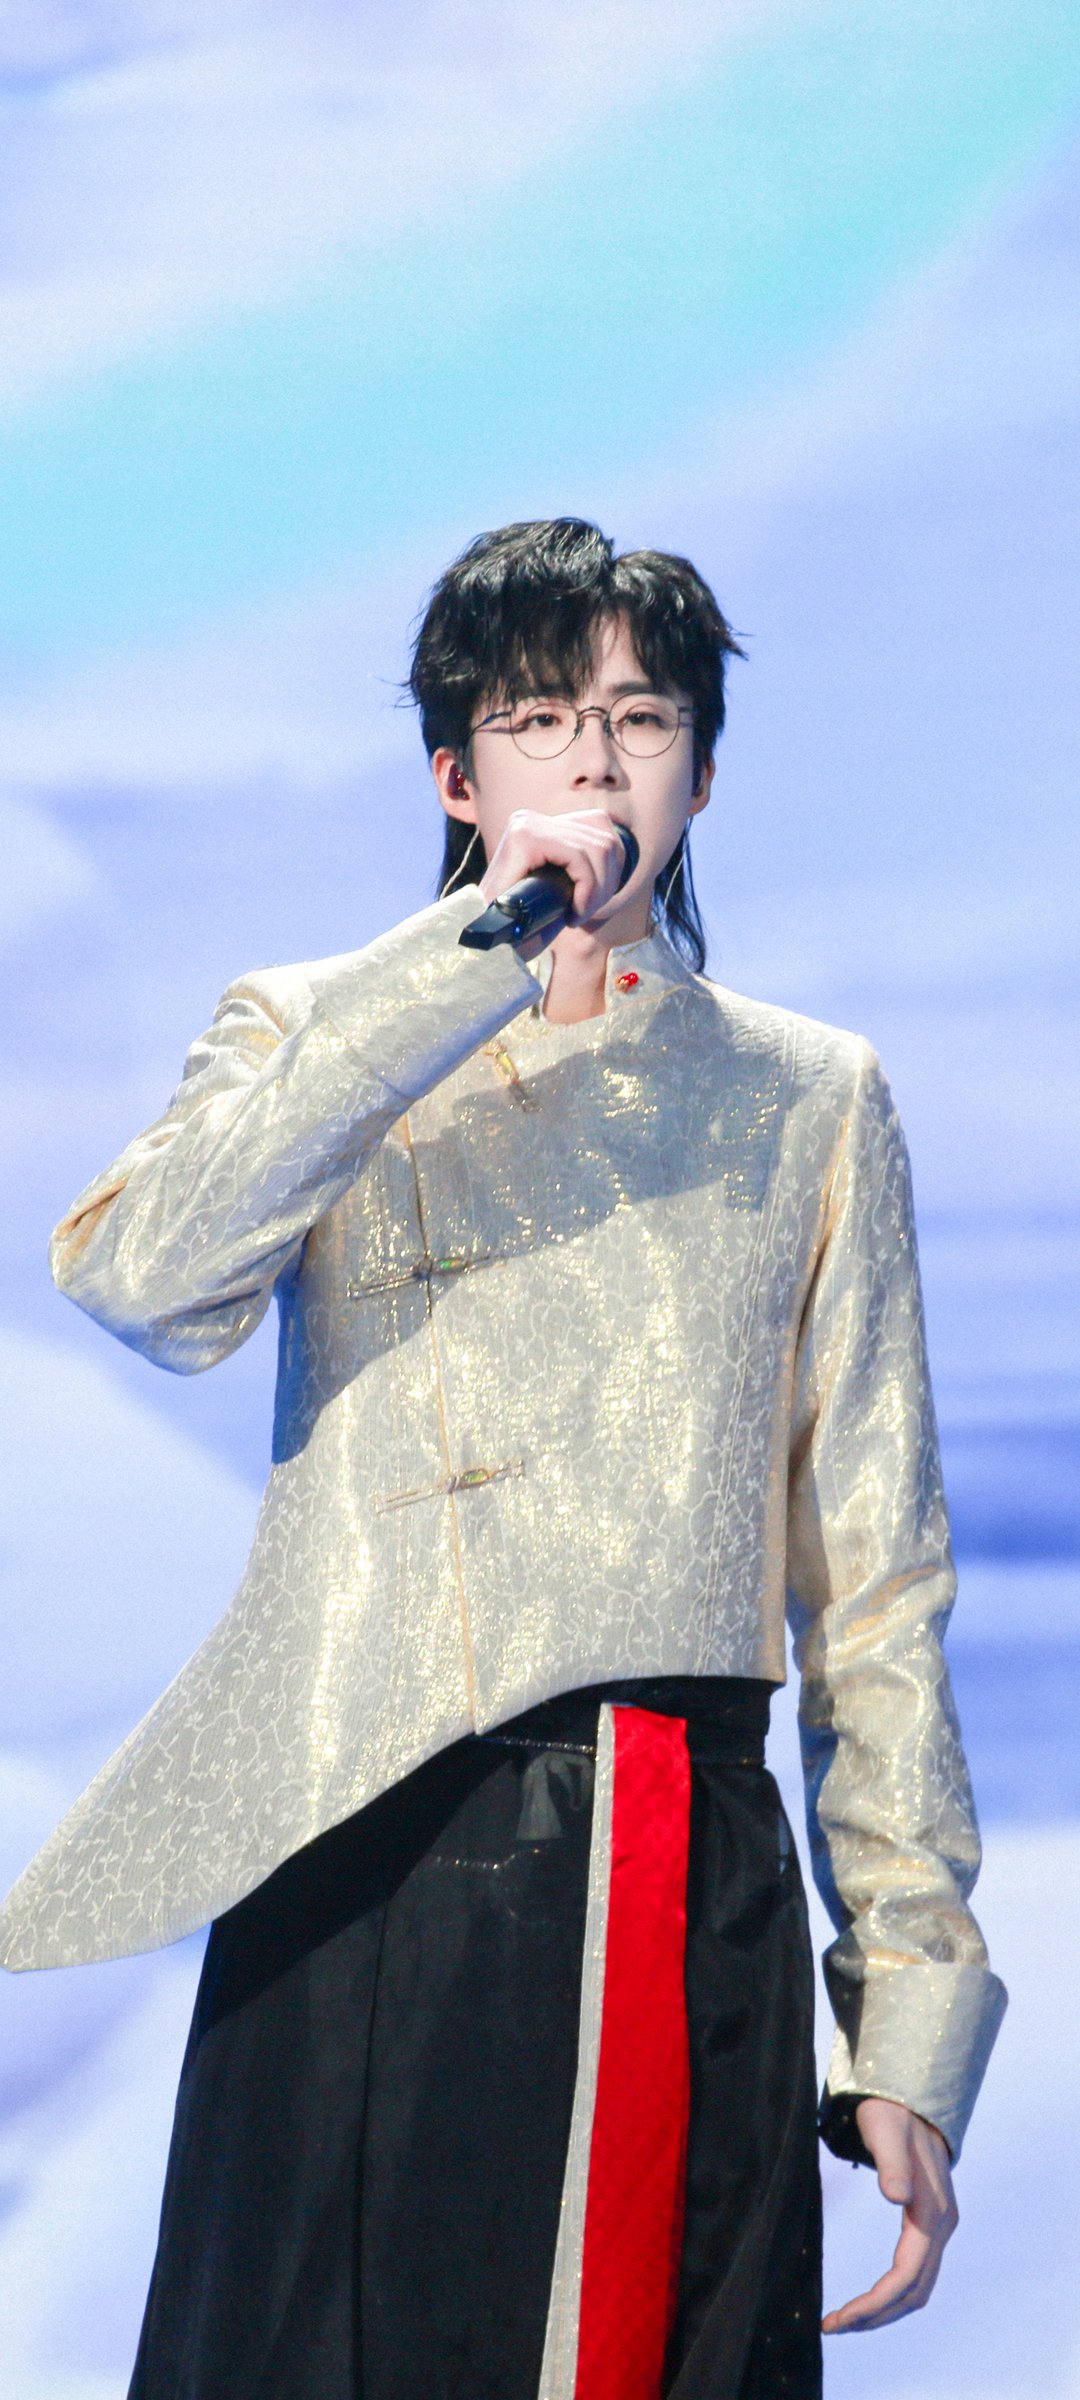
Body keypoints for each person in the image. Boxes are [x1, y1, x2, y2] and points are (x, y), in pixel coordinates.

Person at [0, 518, 1006, 2399]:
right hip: (353, 1828)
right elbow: (147, 1282)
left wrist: (908, 2016)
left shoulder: (808, 1095)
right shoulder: (318, 1030)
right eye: (541, 719)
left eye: (644, 719)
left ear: (704, 774)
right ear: (457, 775)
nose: (597, 765)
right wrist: (467, 957)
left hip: (652, 1842)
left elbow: (877, 1587)